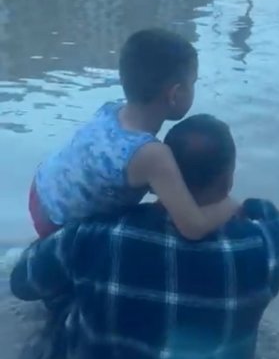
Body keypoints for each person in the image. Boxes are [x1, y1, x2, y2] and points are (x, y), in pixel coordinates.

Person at [12, 115, 279, 359]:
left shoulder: (95, 234)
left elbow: (22, 283)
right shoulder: (260, 250)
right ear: (227, 180)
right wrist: (250, 208)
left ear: (158, 183)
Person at [29, 29, 237, 240]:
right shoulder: (152, 155)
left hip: (40, 191)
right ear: (175, 94)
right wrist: (230, 206)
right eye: (193, 83)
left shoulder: (111, 110)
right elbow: (193, 228)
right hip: (56, 224)